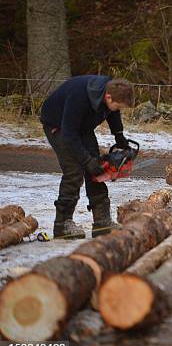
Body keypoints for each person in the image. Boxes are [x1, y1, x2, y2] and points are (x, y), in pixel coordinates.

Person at [40, 76, 135, 239]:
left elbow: (113, 112)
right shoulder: (79, 97)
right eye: (118, 106)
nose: (117, 109)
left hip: (82, 127)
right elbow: (70, 135)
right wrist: (86, 161)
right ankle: (62, 225)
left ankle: (102, 222)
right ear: (108, 97)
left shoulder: (111, 89)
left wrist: (119, 135)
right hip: (58, 126)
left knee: (98, 168)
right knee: (74, 172)